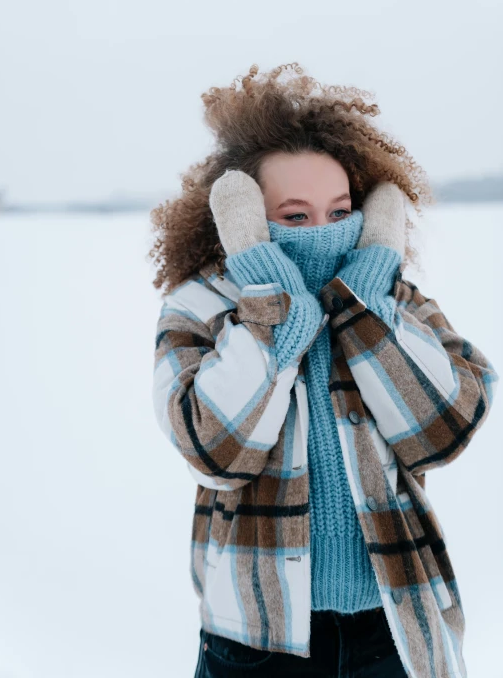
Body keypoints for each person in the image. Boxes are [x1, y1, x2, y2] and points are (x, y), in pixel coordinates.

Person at [149, 63, 498, 678]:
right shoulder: (201, 306)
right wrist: (269, 296)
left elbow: (445, 427)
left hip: (393, 628)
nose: (325, 235)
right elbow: (217, 448)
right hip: (258, 641)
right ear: (247, 220)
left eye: (341, 212)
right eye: (296, 216)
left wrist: (364, 299)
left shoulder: (395, 300)